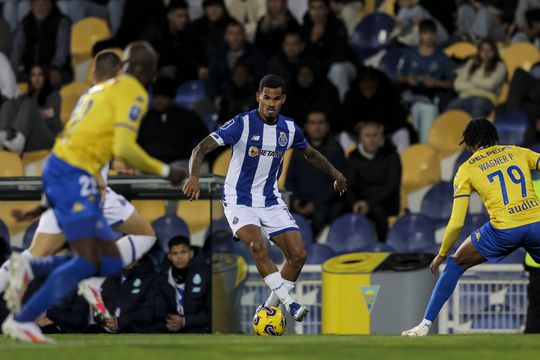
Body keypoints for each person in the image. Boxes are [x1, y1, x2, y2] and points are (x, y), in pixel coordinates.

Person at [1, 42, 185, 343]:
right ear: (140, 68)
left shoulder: (93, 95)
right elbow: (118, 143)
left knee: (142, 237)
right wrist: (166, 172)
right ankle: (42, 288)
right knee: (92, 258)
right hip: (84, 184)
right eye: (152, 65)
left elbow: (92, 141)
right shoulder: (131, 91)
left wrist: (113, 165)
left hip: (76, 179)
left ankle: (63, 277)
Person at [182, 74, 347, 321]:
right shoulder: (242, 124)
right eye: (266, 97)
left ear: (283, 100)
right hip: (239, 199)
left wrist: (335, 173)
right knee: (256, 245)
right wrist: (194, 176)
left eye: (276, 99)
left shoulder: (289, 129)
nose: (270, 103)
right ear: (258, 97)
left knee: (298, 255)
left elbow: (310, 154)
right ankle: (290, 304)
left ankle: (268, 310)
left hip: (270, 200)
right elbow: (201, 147)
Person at [402, 118, 540, 336]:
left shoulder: (467, 168)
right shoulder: (518, 152)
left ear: (468, 145)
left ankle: (424, 325)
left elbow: (457, 222)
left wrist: (442, 253)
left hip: (503, 230)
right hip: (536, 225)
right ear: (495, 138)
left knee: (455, 264)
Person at [286, 110, 347, 235]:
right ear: (306, 127)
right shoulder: (298, 150)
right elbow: (290, 179)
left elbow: (338, 183)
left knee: (322, 216)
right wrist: (295, 200)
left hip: (325, 205)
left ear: (327, 126)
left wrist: (315, 203)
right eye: (312, 123)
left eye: (320, 122)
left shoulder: (336, 150)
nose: (317, 126)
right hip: (300, 203)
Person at [347, 121, 402, 242]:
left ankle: (382, 247)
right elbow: (349, 185)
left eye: (375, 135)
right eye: (368, 136)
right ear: (361, 138)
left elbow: (391, 186)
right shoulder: (353, 157)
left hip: (386, 202)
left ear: (381, 137)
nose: (372, 140)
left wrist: (369, 203)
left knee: (378, 211)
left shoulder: (392, 156)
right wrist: (355, 203)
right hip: (360, 202)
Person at [137, 77, 209, 166]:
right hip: (150, 163)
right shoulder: (146, 117)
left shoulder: (188, 116)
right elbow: (137, 143)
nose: (158, 101)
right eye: (156, 97)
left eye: (163, 97)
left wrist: (188, 153)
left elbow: (203, 139)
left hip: (179, 162)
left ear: (172, 98)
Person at [101, 255, 178, 333]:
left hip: (145, 336)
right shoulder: (111, 280)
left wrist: (120, 321)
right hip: (112, 335)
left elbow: (151, 312)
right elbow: (102, 306)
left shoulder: (155, 280)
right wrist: (107, 320)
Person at [342, 67, 411, 153]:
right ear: (359, 83)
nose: (367, 85)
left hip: (386, 133)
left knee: (402, 133)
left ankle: (402, 165)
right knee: (344, 136)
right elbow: (344, 120)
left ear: (376, 82)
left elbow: (400, 118)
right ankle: (350, 164)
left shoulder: (388, 93)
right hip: (361, 135)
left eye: (370, 83)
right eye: (364, 82)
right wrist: (355, 127)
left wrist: (381, 126)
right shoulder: (352, 95)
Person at [0, 64, 62, 155]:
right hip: (28, 140)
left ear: (46, 77)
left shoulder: (54, 95)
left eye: (40, 75)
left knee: (29, 104)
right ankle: (4, 135)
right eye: (33, 75)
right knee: (10, 104)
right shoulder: (25, 96)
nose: (36, 79)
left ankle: (18, 138)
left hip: (47, 137)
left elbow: (51, 113)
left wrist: (32, 112)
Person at [141, 0, 206, 86]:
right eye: (179, 16)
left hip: (180, 74)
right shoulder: (156, 30)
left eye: (185, 16)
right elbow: (141, 49)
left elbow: (194, 52)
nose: (183, 20)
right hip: (156, 74)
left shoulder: (188, 32)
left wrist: (200, 67)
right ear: (170, 16)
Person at [10, 0, 72, 85]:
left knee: (51, 79)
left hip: (56, 70)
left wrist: (55, 68)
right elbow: (16, 51)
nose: (40, 8)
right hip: (30, 72)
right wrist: (12, 71)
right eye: (36, 5)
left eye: (43, 4)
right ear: (31, 7)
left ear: (50, 6)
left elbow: (62, 50)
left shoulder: (62, 22)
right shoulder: (24, 24)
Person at [208, 20, 268, 102]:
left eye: (238, 34)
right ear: (226, 36)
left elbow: (261, 81)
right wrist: (216, 97)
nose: (235, 38)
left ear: (244, 36)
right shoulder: (218, 55)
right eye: (231, 34)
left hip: (248, 101)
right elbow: (212, 80)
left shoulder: (256, 55)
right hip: (224, 100)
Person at [447, 39, 507, 118]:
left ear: (494, 52)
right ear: (479, 51)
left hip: (486, 97)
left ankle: (477, 130)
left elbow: (491, 84)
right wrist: (476, 86)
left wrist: (470, 80)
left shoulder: (500, 65)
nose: (486, 53)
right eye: (483, 50)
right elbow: (457, 84)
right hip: (465, 96)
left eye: (489, 50)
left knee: (477, 109)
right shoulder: (472, 63)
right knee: (451, 108)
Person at [163, 236, 210, 333]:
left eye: (183, 252)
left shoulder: (206, 275)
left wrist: (185, 321)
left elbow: (212, 313)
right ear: (169, 256)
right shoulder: (162, 277)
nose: (179, 257)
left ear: (191, 253)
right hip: (168, 332)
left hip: (199, 332)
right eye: (175, 253)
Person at [282, 63, 340, 128]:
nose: (305, 78)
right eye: (302, 74)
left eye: (308, 74)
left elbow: (332, 115)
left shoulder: (325, 91)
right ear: (296, 76)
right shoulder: (289, 93)